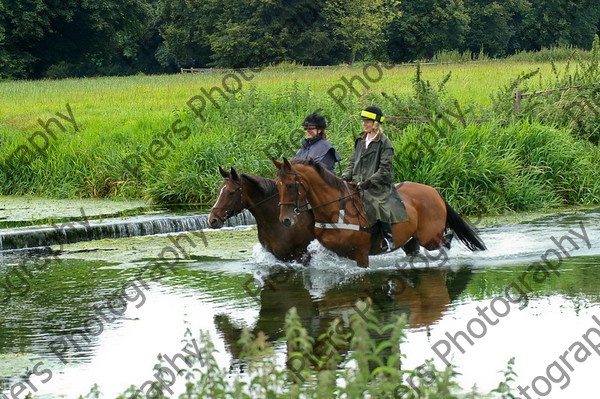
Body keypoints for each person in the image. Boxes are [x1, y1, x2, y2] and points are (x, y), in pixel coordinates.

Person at [341, 106, 407, 252]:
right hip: (358, 184)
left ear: (376, 123)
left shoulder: (385, 143)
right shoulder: (360, 141)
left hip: (378, 185)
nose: (364, 124)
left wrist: (369, 181)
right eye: (364, 121)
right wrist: (345, 176)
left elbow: (385, 169)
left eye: (368, 121)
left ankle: (388, 238)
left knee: (378, 204)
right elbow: (352, 163)